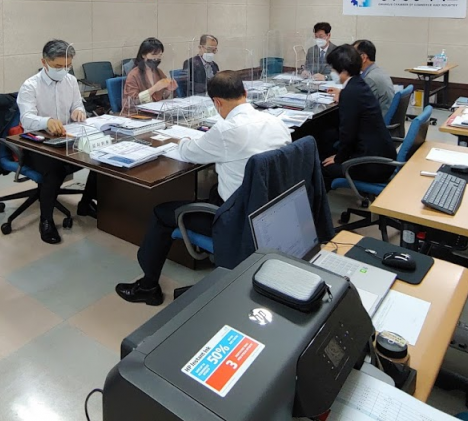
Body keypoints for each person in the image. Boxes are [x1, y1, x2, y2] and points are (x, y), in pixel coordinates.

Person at [115, 72, 292, 305]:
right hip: (272, 214)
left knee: (161, 213)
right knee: (214, 188)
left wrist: (183, 140)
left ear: (216, 102)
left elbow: (188, 153)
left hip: (236, 221)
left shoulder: (226, 130)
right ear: (245, 93)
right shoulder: (277, 123)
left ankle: (148, 286)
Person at [17, 39, 99, 244]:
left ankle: (86, 203)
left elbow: (77, 105)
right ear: (44, 62)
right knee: (54, 169)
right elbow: (26, 119)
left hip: (66, 139)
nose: (63, 70)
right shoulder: (30, 86)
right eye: (58, 66)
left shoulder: (70, 81)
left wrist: (78, 112)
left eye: (67, 65)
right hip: (37, 144)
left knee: (100, 158)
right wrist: (46, 121)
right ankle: (46, 221)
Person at [320, 46, 397, 185]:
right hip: (383, 156)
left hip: (373, 165)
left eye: (333, 69)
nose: (332, 72)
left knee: (324, 167)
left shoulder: (350, 92)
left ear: (343, 70)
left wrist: (339, 158)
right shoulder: (359, 84)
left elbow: (347, 133)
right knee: (328, 139)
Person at [122, 37, 177, 112]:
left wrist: (169, 90)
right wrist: (154, 88)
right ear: (143, 55)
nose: (157, 58)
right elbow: (132, 102)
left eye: (159, 55)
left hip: (156, 112)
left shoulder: (159, 72)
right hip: (138, 114)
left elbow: (161, 97)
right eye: (154, 55)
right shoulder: (133, 75)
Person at [352, 39, 395, 117]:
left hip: (377, 121)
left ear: (363, 58)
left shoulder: (370, 79)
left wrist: (342, 97)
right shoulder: (378, 71)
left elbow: (358, 105)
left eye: (353, 56)